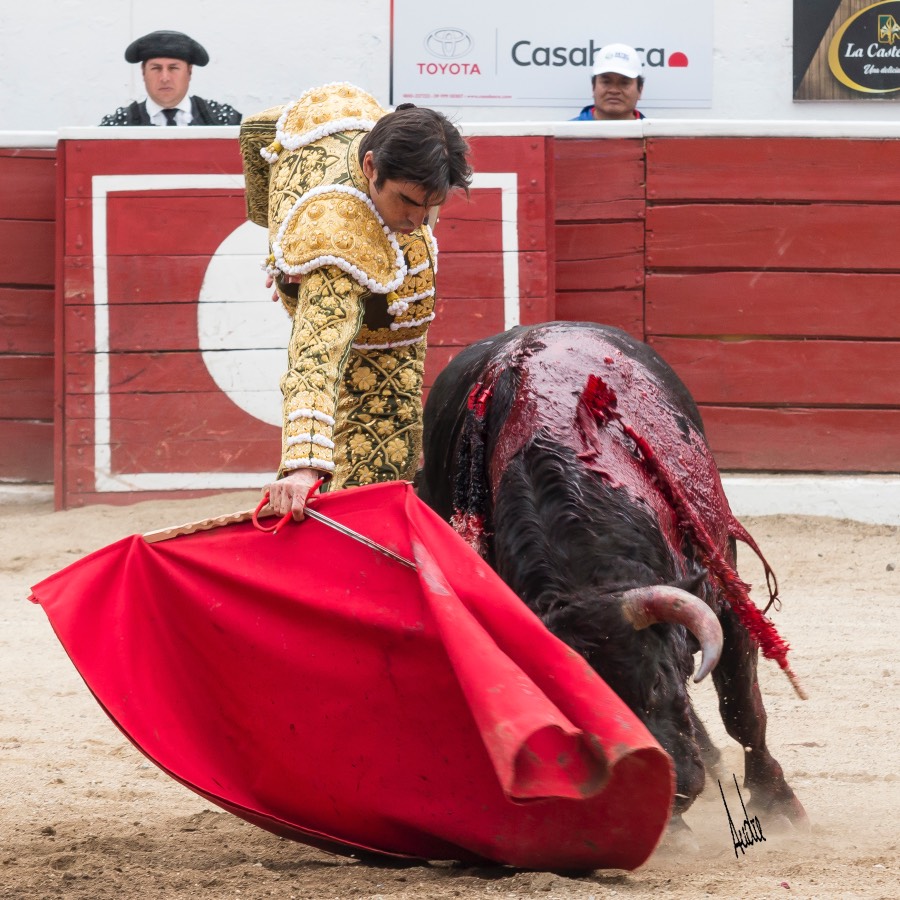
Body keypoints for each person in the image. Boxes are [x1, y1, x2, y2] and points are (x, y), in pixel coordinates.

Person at [239, 83, 472, 520]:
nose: (415, 221)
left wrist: (281, 247)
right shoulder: (340, 236)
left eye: (432, 206)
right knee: (378, 478)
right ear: (370, 165)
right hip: (377, 343)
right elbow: (316, 357)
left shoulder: (371, 125)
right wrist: (304, 465)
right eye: (405, 201)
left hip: (387, 312)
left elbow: (260, 129)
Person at [99, 30, 241, 126]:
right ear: (143, 72)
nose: (164, 78)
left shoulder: (223, 121)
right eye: (156, 68)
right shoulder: (120, 125)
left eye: (173, 68)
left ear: (189, 72)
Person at [572, 43, 645, 121]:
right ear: (593, 87)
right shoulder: (565, 132)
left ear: (640, 90)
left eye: (624, 83)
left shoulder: (654, 132)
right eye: (606, 82)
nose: (614, 90)